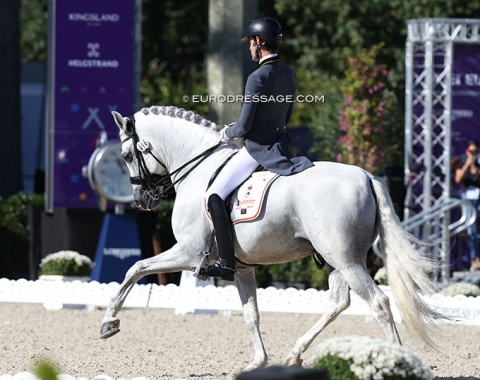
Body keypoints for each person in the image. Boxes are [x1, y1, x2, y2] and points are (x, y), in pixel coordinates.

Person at [199, 17, 314, 281]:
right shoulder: (288, 72)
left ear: (259, 42)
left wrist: (225, 132)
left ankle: (227, 262)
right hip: (283, 146)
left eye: (251, 42)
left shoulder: (257, 78)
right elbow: (286, 118)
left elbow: (244, 125)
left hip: (258, 149)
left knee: (215, 195)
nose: (249, 47)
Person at [455, 140, 480, 271]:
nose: (473, 153)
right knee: (472, 231)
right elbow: (458, 179)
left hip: (479, 197)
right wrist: (467, 165)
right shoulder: (462, 160)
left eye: (475, 151)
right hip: (469, 199)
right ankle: (473, 260)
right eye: (471, 151)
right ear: (466, 151)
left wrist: (476, 170)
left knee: (478, 232)